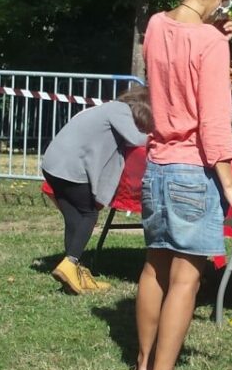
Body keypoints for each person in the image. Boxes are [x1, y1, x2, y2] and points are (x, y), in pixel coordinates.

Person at [135, 0, 232, 370]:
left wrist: (214, 33)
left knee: (154, 269)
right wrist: (231, 187)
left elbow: (173, 65)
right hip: (192, 170)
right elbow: (214, 122)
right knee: (188, 277)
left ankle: (145, 365)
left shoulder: (156, 25)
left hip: (157, 165)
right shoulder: (211, 42)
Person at [41, 86, 152, 294]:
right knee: (89, 213)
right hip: (69, 169)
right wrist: (164, 137)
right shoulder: (119, 110)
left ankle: (75, 273)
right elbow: (137, 139)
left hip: (52, 166)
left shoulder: (104, 109)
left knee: (74, 219)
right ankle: (70, 263)